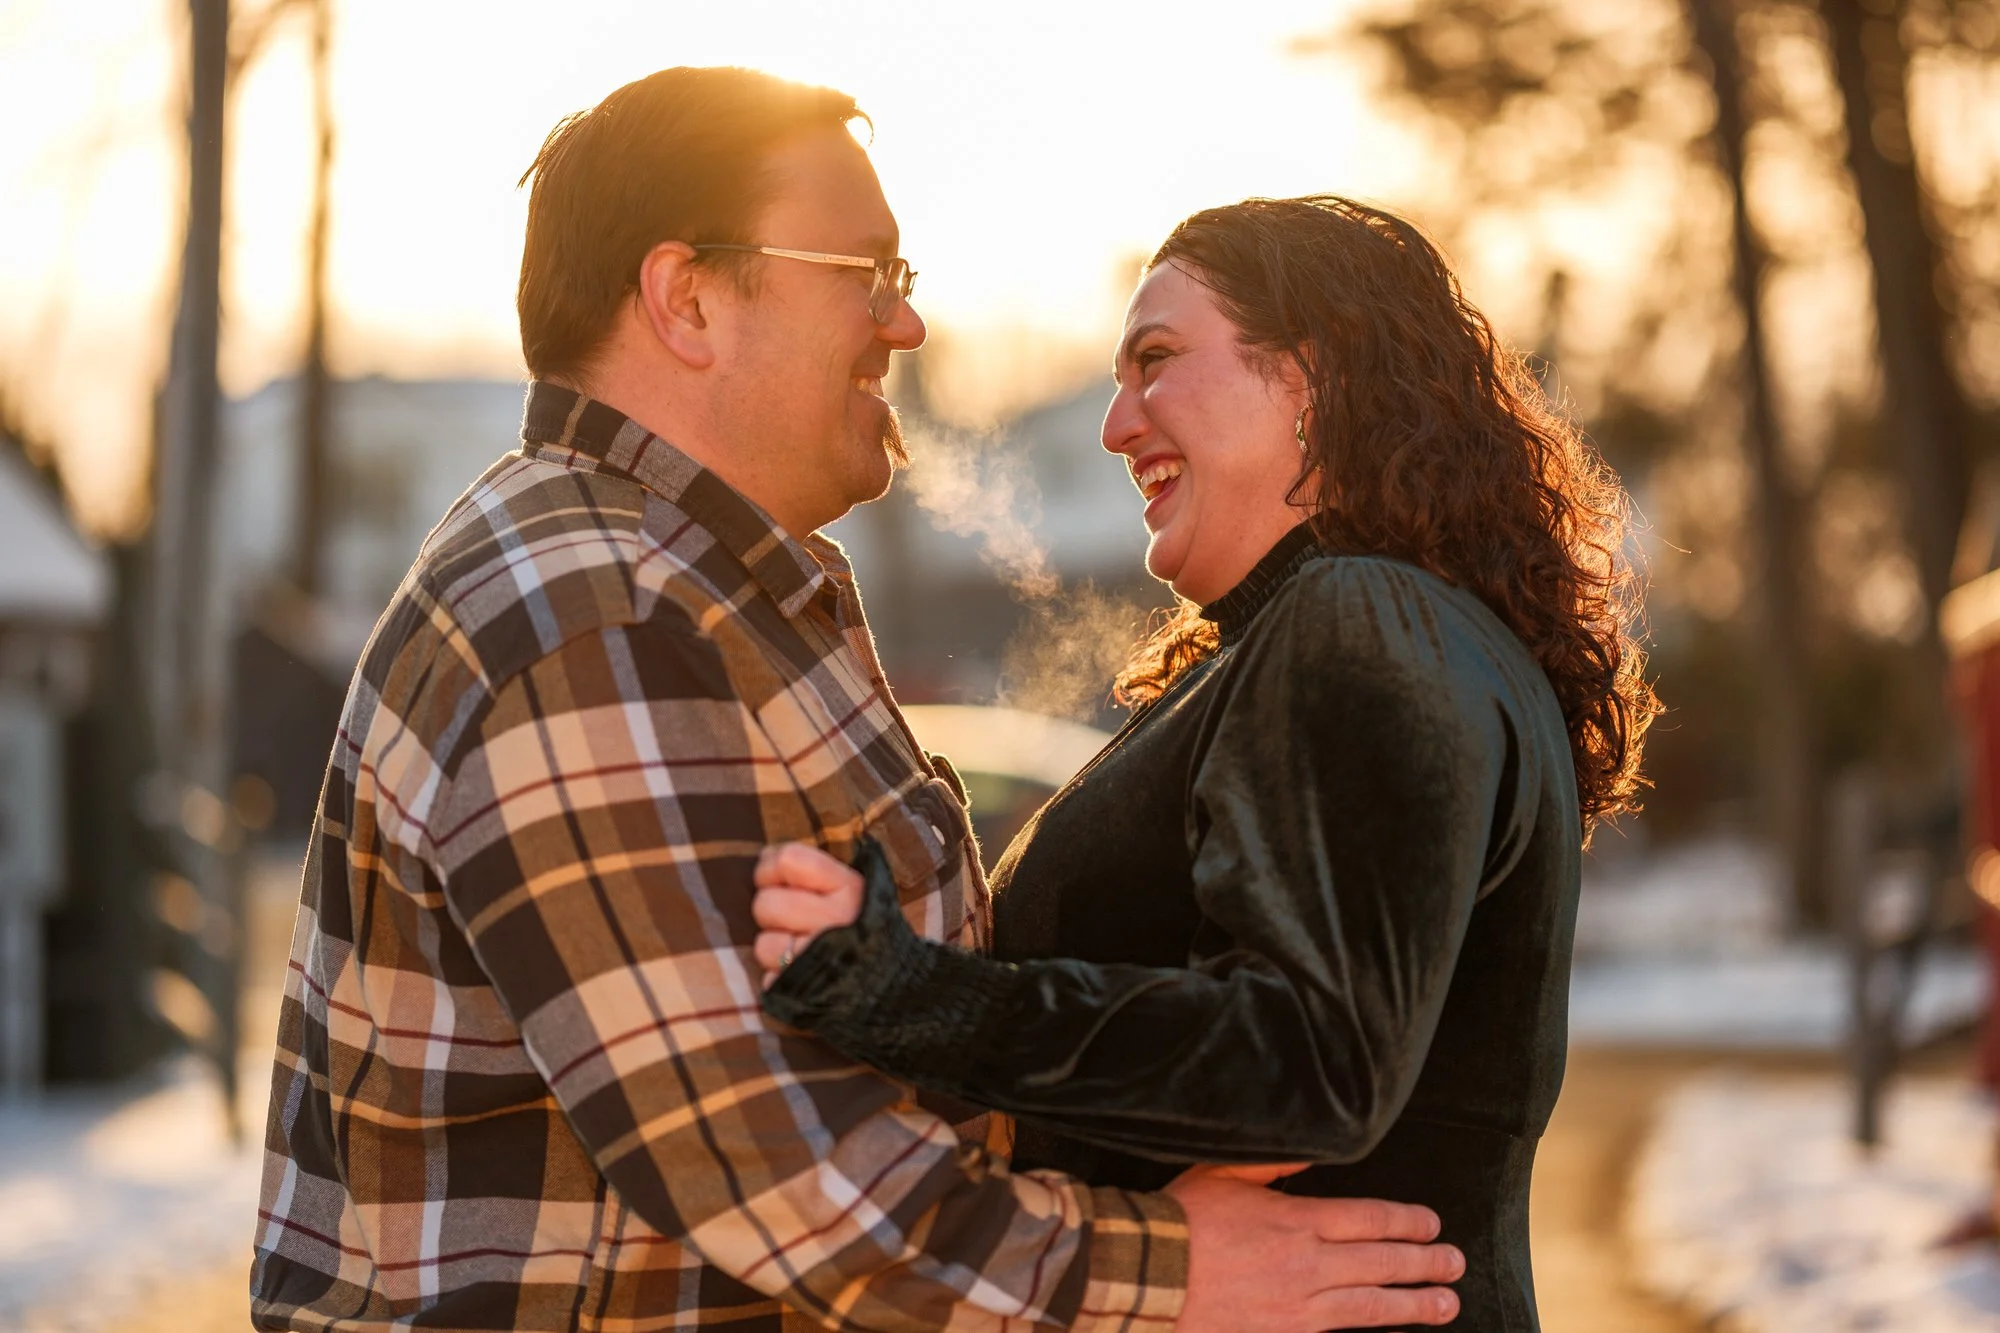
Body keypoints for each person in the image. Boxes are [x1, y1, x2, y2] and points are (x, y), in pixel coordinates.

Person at [248, 68, 1469, 1333]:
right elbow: (767, 1161)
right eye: (865, 274)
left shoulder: (704, 592)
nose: (905, 328)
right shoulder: (592, 615)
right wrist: (1173, 1273)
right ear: (689, 299)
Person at [751, 195, 1658, 1331]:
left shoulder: (1361, 614)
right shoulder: (1367, 631)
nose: (1114, 424)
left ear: (1312, 374)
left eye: (1158, 360)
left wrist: (916, 1000)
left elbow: (1309, 1064)